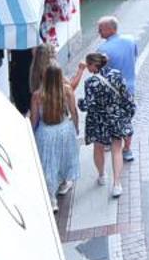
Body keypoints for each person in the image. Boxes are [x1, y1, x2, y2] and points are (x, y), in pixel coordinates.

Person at [79, 49, 134, 198]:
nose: (88, 70)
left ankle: (102, 175)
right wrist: (129, 112)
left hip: (99, 120)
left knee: (98, 148)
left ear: (93, 66)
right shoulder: (116, 74)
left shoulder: (90, 82)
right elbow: (126, 95)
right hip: (115, 117)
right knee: (117, 149)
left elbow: (88, 105)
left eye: (88, 66)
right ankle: (117, 184)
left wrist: (80, 103)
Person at [32, 62, 81, 206]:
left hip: (45, 132)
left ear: (44, 77)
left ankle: (52, 198)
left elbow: (34, 119)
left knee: (49, 163)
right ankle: (64, 184)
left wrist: (33, 134)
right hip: (64, 129)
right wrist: (76, 127)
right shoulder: (66, 91)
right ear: (60, 76)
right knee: (63, 158)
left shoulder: (37, 95)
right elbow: (74, 111)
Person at [97, 17, 138, 165]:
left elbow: (101, 73)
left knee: (111, 117)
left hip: (112, 91)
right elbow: (134, 58)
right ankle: (127, 149)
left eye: (101, 29)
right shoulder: (130, 40)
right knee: (126, 119)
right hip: (129, 87)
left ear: (110, 29)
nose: (99, 32)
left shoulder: (102, 50)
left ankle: (111, 142)